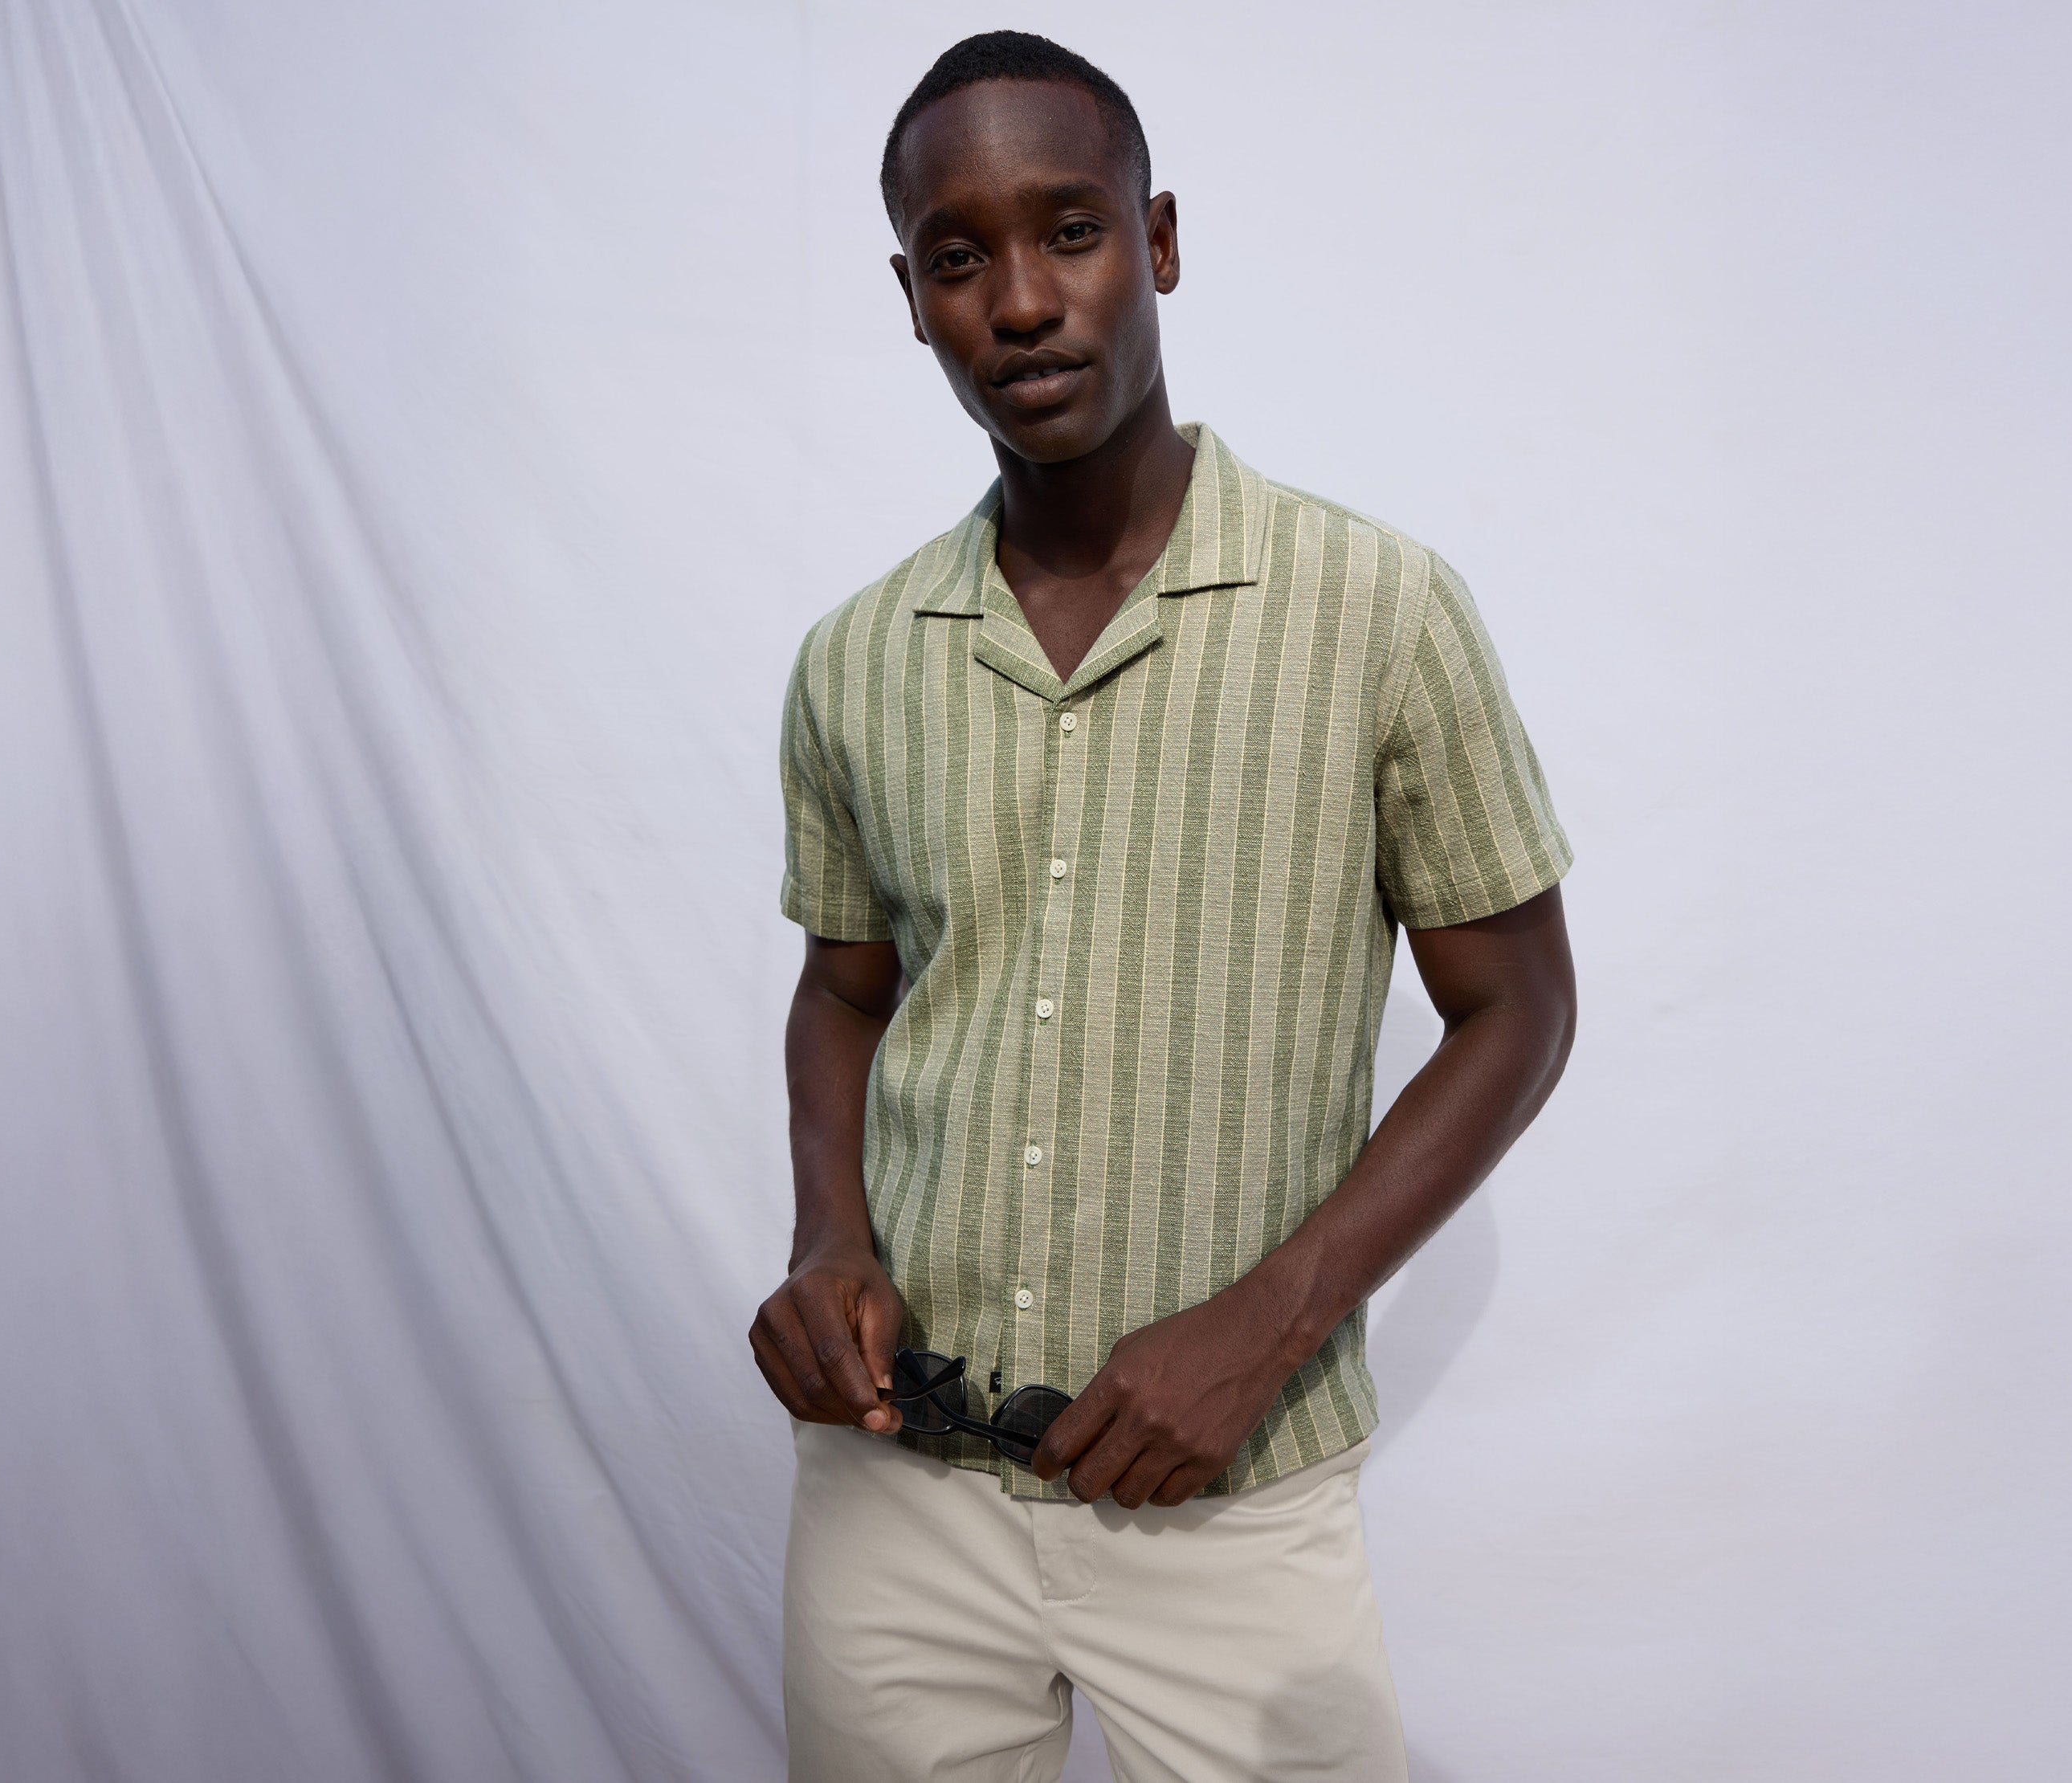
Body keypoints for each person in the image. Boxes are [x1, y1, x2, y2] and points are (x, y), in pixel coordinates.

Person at [753, 30, 1577, 1782]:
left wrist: (1271, 1319)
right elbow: (844, 990)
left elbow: (1519, 1011)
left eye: (1073, 231)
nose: (1025, 301)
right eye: (961, 259)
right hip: (902, 1506)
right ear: (911, 300)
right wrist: (831, 1240)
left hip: (1235, 1498)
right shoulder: (852, 661)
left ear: (1163, 242)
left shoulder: (1379, 610)